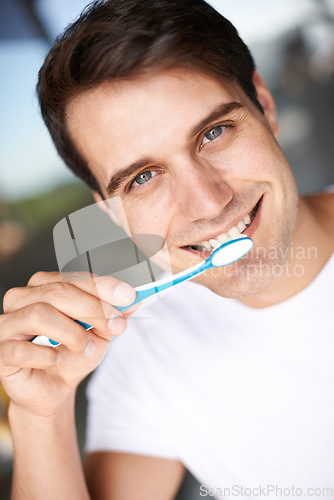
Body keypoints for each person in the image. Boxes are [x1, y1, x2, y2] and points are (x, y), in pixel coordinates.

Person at [1, 0, 333, 498]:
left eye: (213, 133)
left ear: (264, 105)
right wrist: (38, 416)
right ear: (110, 213)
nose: (208, 202)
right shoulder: (145, 355)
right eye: (143, 178)